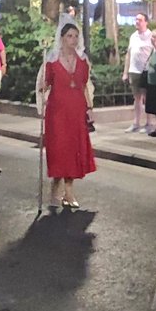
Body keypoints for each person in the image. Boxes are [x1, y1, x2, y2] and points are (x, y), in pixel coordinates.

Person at [37, 16, 96, 208]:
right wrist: (42, 86)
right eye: (70, 36)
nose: (73, 40)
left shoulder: (82, 60)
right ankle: (56, 183)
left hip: (76, 110)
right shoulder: (52, 61)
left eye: (76, 36)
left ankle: (69, 192)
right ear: (62, 38)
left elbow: (84, 86)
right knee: (59, 149)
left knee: (74, 150)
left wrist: (89, 108)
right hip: (57, 113)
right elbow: (44, 86)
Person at [122, 12, 153, 133]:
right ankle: (136, 122)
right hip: (134, 71)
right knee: (137, 98)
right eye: (136, 20)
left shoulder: (151, 36)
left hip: (145, 71)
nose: (137, 22)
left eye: (140, 20)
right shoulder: (133, 36)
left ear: (146, 22)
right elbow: (128, 54)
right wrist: (126, 72)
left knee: (147, 97)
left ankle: (149, 122)